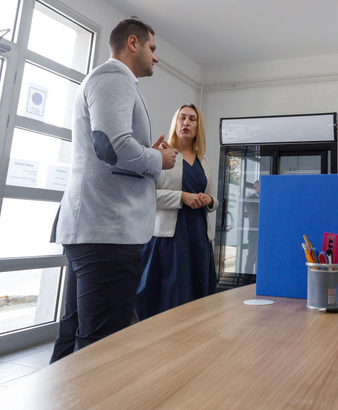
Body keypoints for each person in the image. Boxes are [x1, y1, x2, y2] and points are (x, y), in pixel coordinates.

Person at [50, 18, 178, 363]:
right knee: (100, 343)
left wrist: (146, 151)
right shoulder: (113, 78)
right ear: (132, 43)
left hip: (97, 229)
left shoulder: (110, 80)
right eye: (152, 48)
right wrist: (158, 158)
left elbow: (109, 146)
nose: (156, 57)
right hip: (107, 231)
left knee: (76, 333)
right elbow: (113, 147)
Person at [134, 104, 219, 320]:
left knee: (198, 298)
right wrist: (181, 197)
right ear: (176, 123)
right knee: (167, 297)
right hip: (169, 240)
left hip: (198, 238)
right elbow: (148, 195)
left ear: (198, 127)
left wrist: (209, 200)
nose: (186, 123)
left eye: (192, 119)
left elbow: (213, 198)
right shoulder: (161, 156)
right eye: (182, 118)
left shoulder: (204, 162)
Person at [243, 178, 260, 274]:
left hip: (262, 234)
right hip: (254, 234)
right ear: (255, 188)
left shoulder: (264, 198)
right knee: (251, 258)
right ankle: (247, 278)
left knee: (260, 259)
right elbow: (254, 217)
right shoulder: (250, 199)